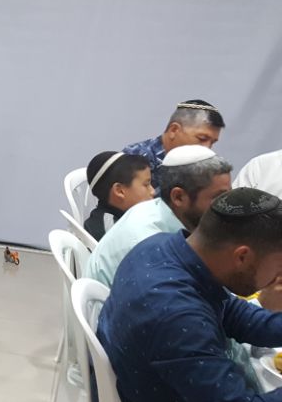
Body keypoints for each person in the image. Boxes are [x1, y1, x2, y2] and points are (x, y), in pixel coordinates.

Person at [93, 188, 282, 402]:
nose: (277, 277)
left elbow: (235, 315)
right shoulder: (177, 315)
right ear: (242, 256)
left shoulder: (163, 248)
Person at [86, 145, 232, 287]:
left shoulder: (160, 213)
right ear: (178, 197)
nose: (227, 206)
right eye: (218, 197)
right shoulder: (146, 243)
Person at [123, 99, 225, 195]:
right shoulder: (135, 157)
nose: (207, 148)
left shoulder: (203, 166)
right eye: (202, 138)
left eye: (212, 142)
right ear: (174, 130)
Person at [83, 151, 154, 240]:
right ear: (119, 191)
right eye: (146, 185)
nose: (153, 191)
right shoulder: (111, 232)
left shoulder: (134, 218)